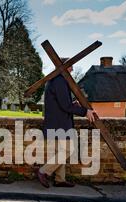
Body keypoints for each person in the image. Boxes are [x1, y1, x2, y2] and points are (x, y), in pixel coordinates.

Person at [36, 59, 95, 188]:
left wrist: (72, 104)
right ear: (64, 68)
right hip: (59, 123)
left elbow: (61, 103)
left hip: (56, 122)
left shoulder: (55, 80)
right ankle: (43, 171)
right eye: (71, 67)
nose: (72, 70)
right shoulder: (60, 81)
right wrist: (85, 111)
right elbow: (65, 105)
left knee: (61, 151)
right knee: (68, 150)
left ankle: (59, 179)